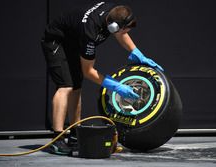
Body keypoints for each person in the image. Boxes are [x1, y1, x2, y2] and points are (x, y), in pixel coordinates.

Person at [41, 1, 163, 155]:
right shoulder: (90, 32)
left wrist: (136, 52)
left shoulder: (113, 12)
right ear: (113, 28)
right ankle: (56, 140)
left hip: (73, 40)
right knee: (66, 86)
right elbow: (89, 71)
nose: (126, 33)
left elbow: (122, 32)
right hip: (56, 41)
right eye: (125, 29)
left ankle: (74, 134)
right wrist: (116, 86)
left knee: (77, 87)